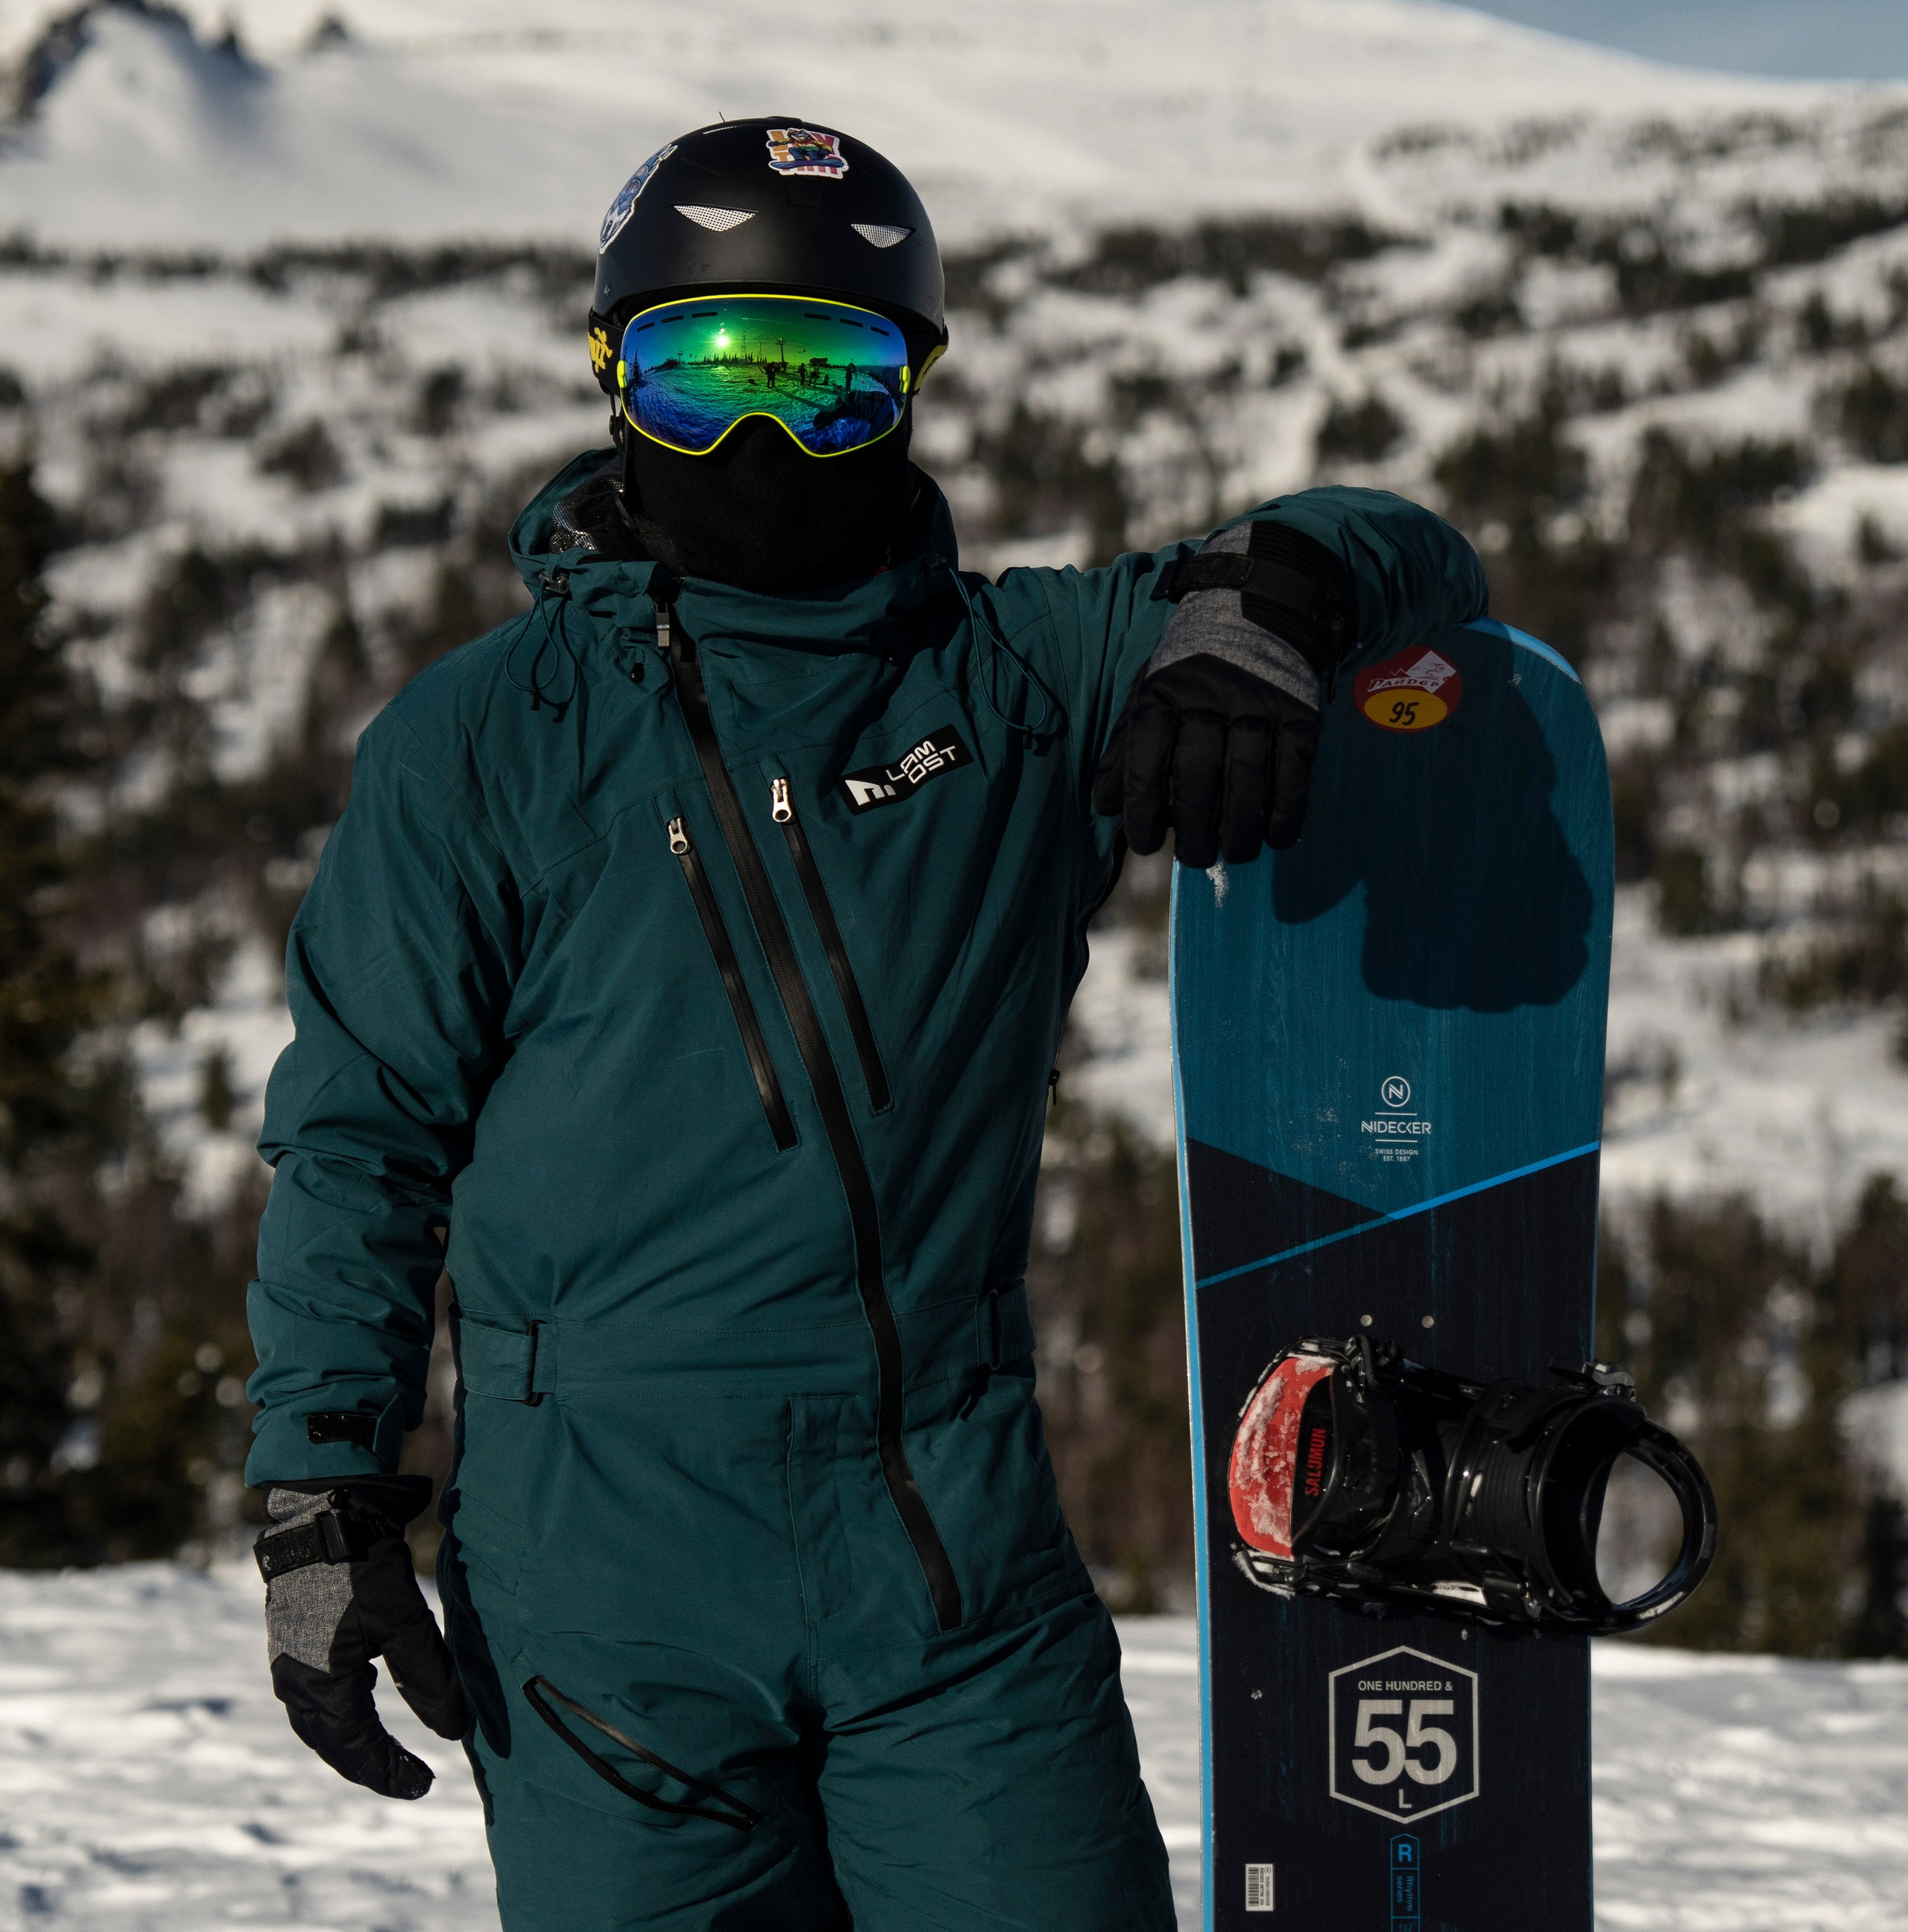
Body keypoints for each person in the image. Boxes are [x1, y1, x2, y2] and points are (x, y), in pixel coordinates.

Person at [245, 117, 1486, 1932]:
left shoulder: (1017, 679)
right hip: (599, 1590)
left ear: (912, 390)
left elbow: (1416, 546)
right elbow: (359, 1135)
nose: (759, 438)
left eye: (825, 383)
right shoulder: (483, 738)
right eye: (699, 376)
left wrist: (1267, 599)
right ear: (610, 381)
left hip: (951, 1574)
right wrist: (320, 1491)